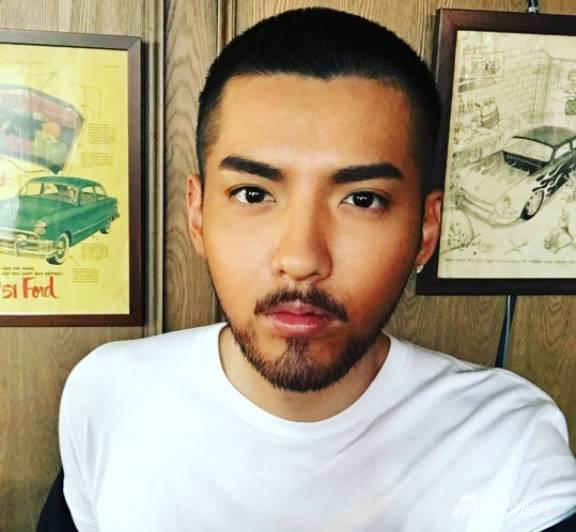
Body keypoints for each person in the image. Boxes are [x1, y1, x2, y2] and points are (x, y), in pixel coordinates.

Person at [57, 8, 576, 531]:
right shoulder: (109, 394)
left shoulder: (508, 444)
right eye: (253, 194)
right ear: (198, 214)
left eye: (363, 199)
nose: (302, 260)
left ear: (425, 228)